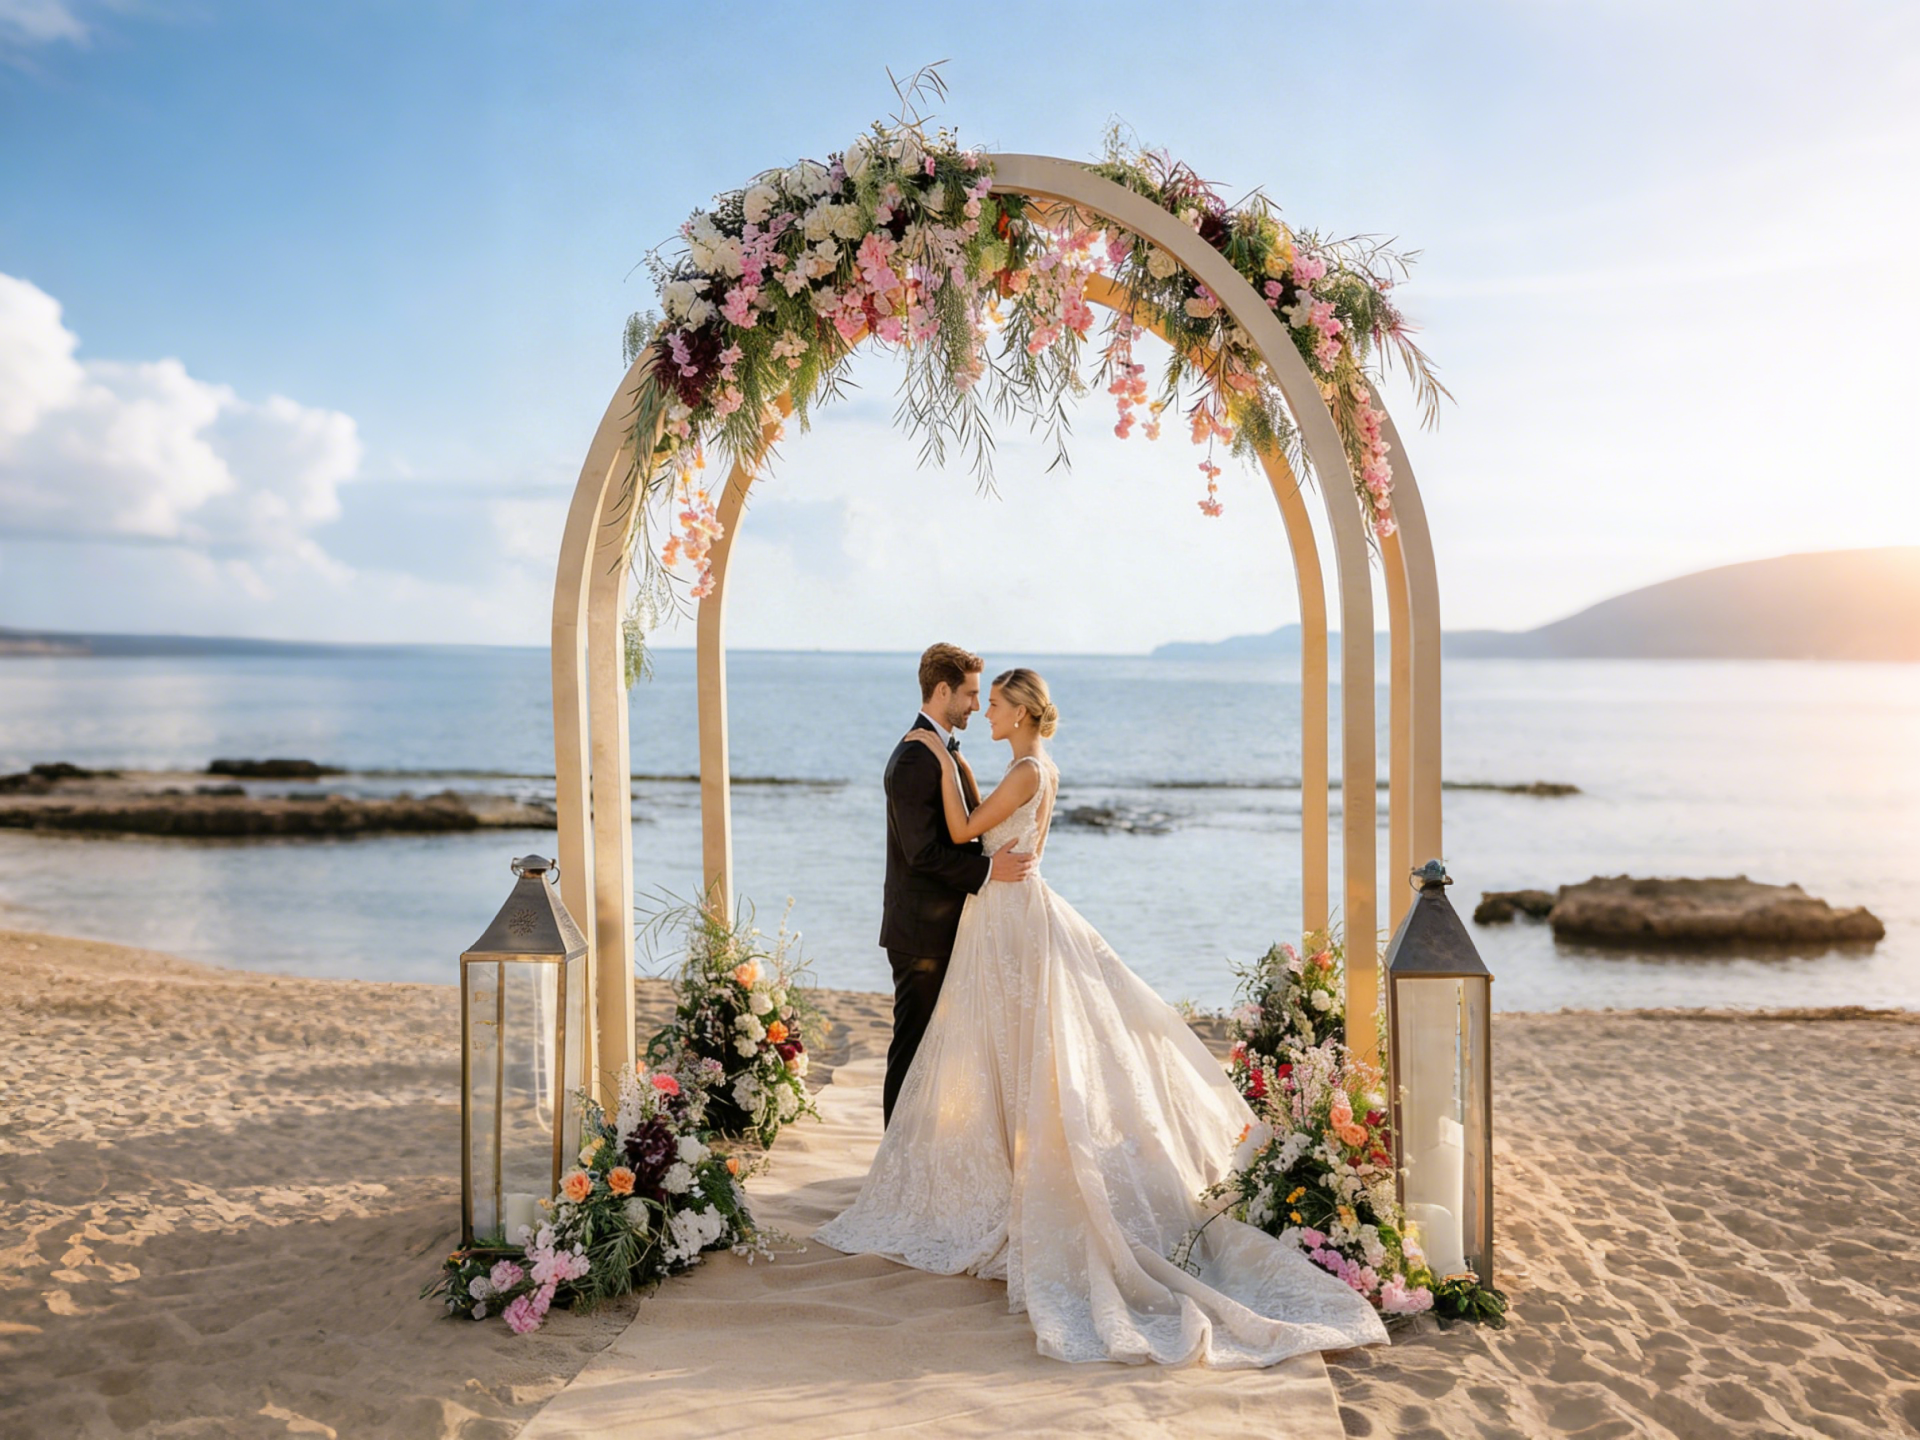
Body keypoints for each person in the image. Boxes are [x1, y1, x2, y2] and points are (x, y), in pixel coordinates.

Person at [817, 667, 1389, 1366]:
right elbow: (1010, 848)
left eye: (993, 702)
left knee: (1010, 1048)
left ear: (1022, 711)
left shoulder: (1020, 769)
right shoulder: (1037, 767)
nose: (984, 710)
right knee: (1005, 1048)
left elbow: (966, 829)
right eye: (978, 698)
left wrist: (939, 756)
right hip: (1012, 912)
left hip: (1006, 919)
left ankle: (1005, 1175)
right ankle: (1000, 1164)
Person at [876, 643, 1035, 1125]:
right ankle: (894, 1158)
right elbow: (921, 853)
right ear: (942, 690)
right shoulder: (913, 758)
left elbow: (964, 826)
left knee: (936, 1051)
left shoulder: (940, 752)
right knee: (913, 1049)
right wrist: (988, 872)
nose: (974, 705)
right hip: (921, 933)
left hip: (944, 929)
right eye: (968, 694)